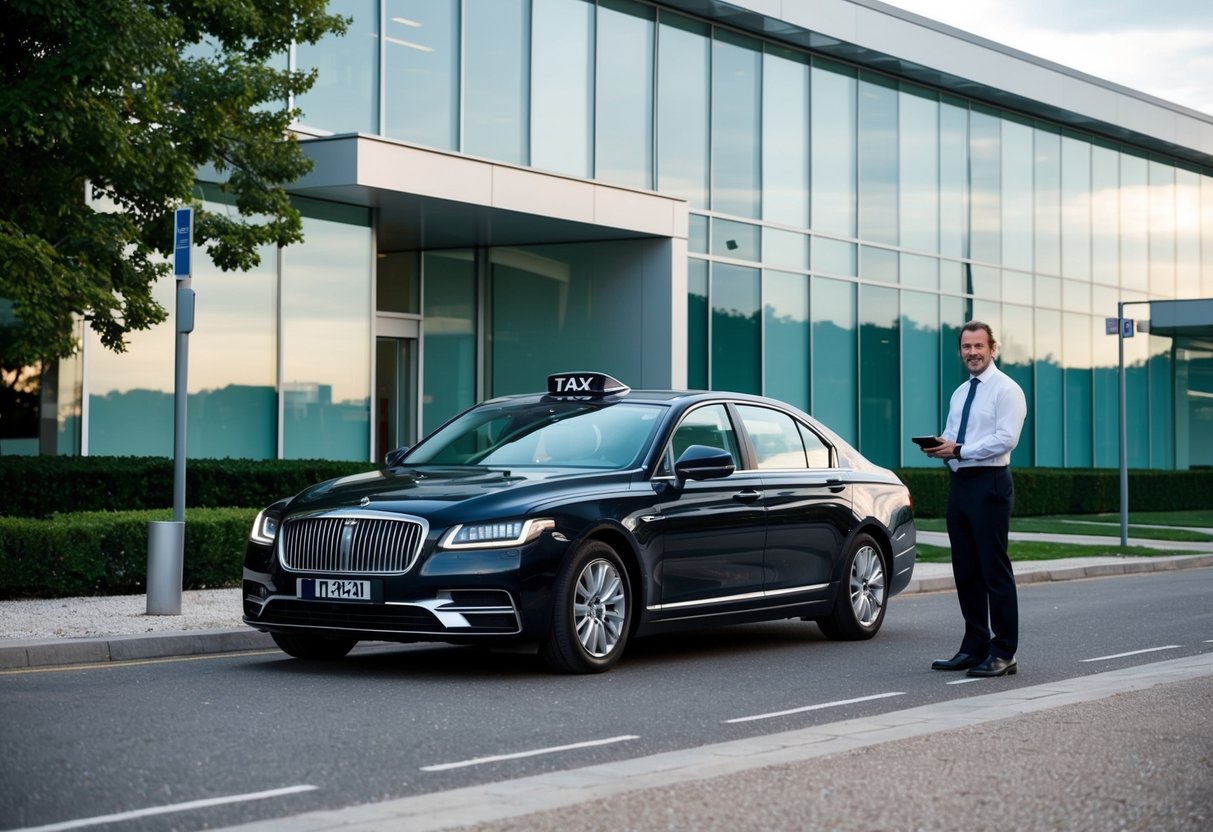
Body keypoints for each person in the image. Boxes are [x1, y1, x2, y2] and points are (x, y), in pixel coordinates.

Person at [921, 321, 1028, 678]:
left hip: (991, 484)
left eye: (979, 346)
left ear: (992, 348)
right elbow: (953, 435)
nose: (972, 353)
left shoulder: (1006, 390)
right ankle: (974, 645)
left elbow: (1005, 438)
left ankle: (1004, 651)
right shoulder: (960, 393)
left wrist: (961, 449)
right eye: (966, 347)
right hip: (962, 484)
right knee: (966, 570)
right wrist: (941, 448)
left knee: (994, 571)